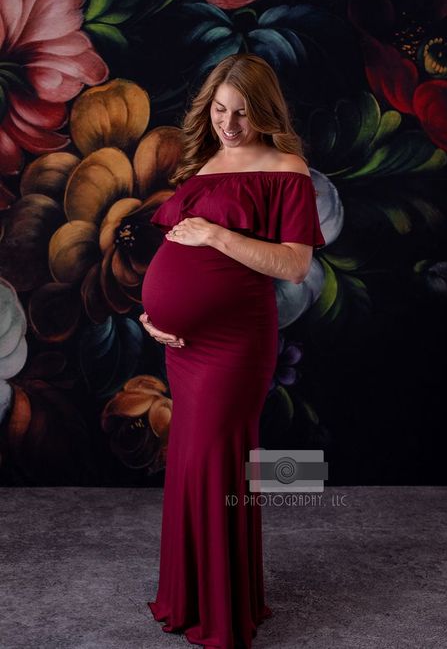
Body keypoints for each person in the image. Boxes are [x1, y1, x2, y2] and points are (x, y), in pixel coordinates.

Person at [140, 53, 325, 649]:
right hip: (183, 348)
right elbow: (175, 253)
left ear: (264, 112)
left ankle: (223, 612)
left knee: (222, 465)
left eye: (242, 114)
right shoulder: (203, 164)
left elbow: (294, 265)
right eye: (220, 110)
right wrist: (153, 317)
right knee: (189, 466)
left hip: (235, 346)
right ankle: (188, 597)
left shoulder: (286, 168)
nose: (229, 125)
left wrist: (219, 234)